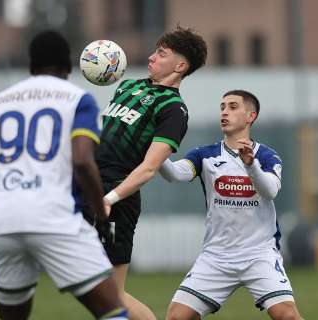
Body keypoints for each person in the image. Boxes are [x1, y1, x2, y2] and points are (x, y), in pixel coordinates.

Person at [0, 30, 128, 320]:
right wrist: (100, 216)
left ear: (30, 65)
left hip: (4, 222)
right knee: (112, 312)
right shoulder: (78, 100)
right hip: (55, 217)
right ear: (70, 66)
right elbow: (83, 162)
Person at [81, 26, 207, 320]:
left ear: (180, 66)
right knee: (92, 286)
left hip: (115, 197)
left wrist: (110, 198)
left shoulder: (174, 110)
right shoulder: (128, 86)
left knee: (110, 293)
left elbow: (150, 167)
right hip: (89, 189)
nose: (150, 57)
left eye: (160, 54)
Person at [160, 90, 303, 320]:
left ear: (250, 116)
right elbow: (177, 174)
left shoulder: (267, 156)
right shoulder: (204, 155)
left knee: (287, 315)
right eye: (222, 107)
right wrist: (156, 153)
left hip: (259, 254)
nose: (225, 112)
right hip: (216, 256)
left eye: (233, 106)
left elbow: (270, 190)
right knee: (177, 316)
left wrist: (251, 165)